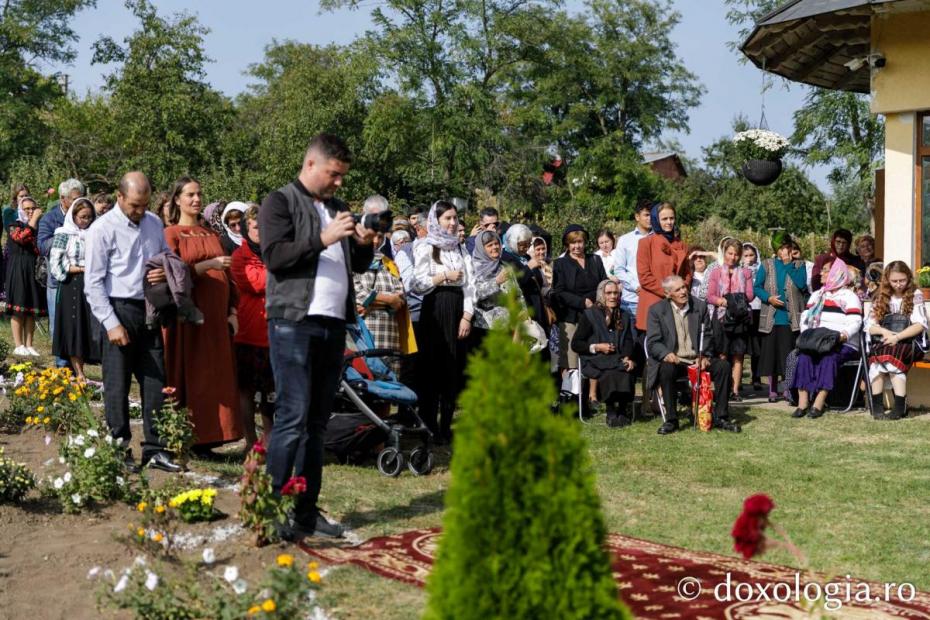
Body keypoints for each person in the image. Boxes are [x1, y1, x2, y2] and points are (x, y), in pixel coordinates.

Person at [259, 133, 375, 540]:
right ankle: (269, 509)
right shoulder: (280, 201)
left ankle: (306, 513)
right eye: (334, 174)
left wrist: (363, 244)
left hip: (332, 325)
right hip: (293, 320)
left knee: (316, 425)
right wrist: (324, 238)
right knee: (291, 417)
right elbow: (274, 256)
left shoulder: (338, 208)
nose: (339, 183)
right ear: (311, 165)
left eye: (343, 176)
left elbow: (356, 264)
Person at [84, 171, 181, 473]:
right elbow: (93, 283)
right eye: (135, 205)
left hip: (149, 309)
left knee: (155, 382)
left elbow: (166, 256)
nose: (140, 211)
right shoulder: (102, 229)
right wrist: (111, 323)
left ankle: (154, 448)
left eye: (144, 204)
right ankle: (118, 446)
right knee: (117, 384)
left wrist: (164, 270)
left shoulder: (153, 223)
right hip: (118, 309)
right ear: (120, 197)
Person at [163, 177, 242, 450]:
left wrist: (232, 309)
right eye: (190, 195)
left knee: (216, 376)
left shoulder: (211, 233)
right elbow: (171, 276)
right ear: (177, 199)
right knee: (195, 376)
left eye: (199, 194)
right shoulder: (171, 234)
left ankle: (217, 435)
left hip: (217, 320)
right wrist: (208, 264)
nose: (196, 199)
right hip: (190, 318)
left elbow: (229, 275)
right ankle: (191, 438)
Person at [412, 200, 475, 444]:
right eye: (447, 218)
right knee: (433, 367)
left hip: (458, 308)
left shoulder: (460, 249)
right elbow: (417, 284)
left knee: (453, 366)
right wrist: (443, 276)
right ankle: (428, 424)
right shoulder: (426, 247)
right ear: (436, 221)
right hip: (435, 309)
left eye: (454, 218)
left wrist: (467, 316)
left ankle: (446, 426)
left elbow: (470, 285)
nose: (452, 223)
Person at [645, 275, 741, 435]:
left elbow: (708, 335)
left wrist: (704, 355)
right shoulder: (656, 310)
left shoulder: (699, 306)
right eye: (678, 290)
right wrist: (666, 353)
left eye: (684, 287)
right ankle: (671, 420)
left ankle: (721, 416)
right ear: (668, 294)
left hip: (697, 359)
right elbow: (653, 342)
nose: (683, 291)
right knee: (666, 369)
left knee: (723, 367)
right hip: (675, 361)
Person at [791, 258, 863, 419]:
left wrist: (842, 336)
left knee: (828, 358)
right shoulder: (817, 295)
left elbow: (855, 321)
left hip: (841, 342)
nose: (821, 273)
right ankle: (802, 402)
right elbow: (806, 318)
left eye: (825, 270)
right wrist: (807, 334)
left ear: (836, 273)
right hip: (817, 341)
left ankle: (819, 401)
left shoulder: (849, 296)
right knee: (804, 357)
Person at [231, 204, 274, 451]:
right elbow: (256, 284)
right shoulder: (240, 256)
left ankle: (269, 439)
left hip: (273, 333)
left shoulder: (275, 252)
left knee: (271, 392)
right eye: (256, 226)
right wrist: (280, 272)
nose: (260, 231)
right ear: (247, 228)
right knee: (246, 390)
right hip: (248, 333)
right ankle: (249, 440)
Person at [866, 262, 927, 420]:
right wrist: (883, 331)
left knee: (892, 355)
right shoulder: (881, 296)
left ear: (908, 278)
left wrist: (897, 337)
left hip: (911, 341)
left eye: (902, 280)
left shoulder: (916, 294)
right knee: (876, 359)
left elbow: (920, 325)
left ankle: (899, 407)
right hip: (887, 339)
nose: (899, 285)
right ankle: (878, 407)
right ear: (887, 280)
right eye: (894, 281)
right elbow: (870, 326)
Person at [571, 280, 636, 427]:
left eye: (616, 293)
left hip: (617, 358)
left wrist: (627, 356)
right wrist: (597, 347)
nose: (613, 296)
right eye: (609, 293)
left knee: (626, 369)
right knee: (609, 372)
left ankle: (623, 410)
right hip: (595, 359)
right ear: (601, 294)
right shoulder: (590, 315)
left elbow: (628, 341)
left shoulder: (623, 315)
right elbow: (576, 344)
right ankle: (611, 411)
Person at [49, 197, 99, 381]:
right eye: (83, 217)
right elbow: (56, 263)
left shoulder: (96, 233)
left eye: (89, 217)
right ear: (74, 216)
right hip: (72, 284)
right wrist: (77, 268)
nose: (86, 221)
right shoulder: (64, 234)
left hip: (92, 283)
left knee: (90, 326)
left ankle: (87, 365)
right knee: (74, 327)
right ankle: (79, 372)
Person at [754, 235, 808, 403]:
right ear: (776, 250)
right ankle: (772, 389)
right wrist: (768, 298)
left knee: (787, 354)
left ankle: (787, 388)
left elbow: (801, 285)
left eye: (788, 247)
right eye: (782, 248)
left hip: (790, 319)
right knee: (771, 356)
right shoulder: (766, 265)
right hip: (772, 317)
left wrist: (787, 264)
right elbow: (756, 287)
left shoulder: (799, 265)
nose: (786, 251)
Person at [39, 178, 86, 368]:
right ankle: (62, 368)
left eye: (81, 197)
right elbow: (42, 245)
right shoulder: (50, 219)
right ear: (63, 199)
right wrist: (64, 236)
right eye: (74, 198)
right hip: (59, 280)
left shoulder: (87, 217)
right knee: (59, 326)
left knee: (79, 326)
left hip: (83, 280)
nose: (78, 202)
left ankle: (78, 370)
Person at [552, 225, 607, 382]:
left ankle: (592, 396)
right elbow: (559, 292)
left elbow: (603, 284)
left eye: (580, 242)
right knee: (571, 360)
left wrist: (595, 300)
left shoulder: (595, 260)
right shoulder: (560, 264)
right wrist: (582, 302)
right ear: (567, 244)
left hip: (594, 315)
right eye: (573, 243)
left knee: (594, 356)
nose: (577, 246)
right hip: (571, 316)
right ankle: (570, 396)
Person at [354, 228, 411, 376]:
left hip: (388, 332)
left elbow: (400, 297)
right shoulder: (352, 260)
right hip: (362, 332)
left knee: (391, 382)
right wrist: (388, 299)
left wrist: (371, 304)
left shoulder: (388, 263)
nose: (375, 241)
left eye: (379, 236)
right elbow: (355, 291)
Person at [706, 238, 755, 401]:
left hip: (740, 319)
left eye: (736, 254)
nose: (732, 257)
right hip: (721, 318)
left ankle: (735, 391)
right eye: (730, 253)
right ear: (724, 253)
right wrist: (724, 301)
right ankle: (722, 389)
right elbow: (710, 296)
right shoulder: (715, 272)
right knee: (722, 354)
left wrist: (734, 300)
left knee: (738, 355)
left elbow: (749, 295)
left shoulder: (746, 273)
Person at [635, 202, 691, 332]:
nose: (669, 222)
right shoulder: (646, 243)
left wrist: (680, 291)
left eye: (671, 218)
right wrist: (668, 292)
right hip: (654, 302)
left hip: (678, 304)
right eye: (664, 219)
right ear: (656, 220)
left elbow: (687, 273)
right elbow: (644, 277)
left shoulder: (682, 245)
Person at [5, 196, 47, 356]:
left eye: (33, 208)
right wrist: (34, 219)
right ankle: (18, 344)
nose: (30, 212)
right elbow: (20, 238)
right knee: (19, 306)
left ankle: (29, 344)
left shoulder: (39, 227)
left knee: (31, 308)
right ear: (20, 210)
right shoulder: (13, 224)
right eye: (26, 209)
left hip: (34, 269)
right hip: (18, 268)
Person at [611, 200, 652, 324]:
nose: (650, 219)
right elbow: (619, 269)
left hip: (654, 299)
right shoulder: (625, 240)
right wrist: (636, 287)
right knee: (631, 341)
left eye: (652, 215)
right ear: (637, 216)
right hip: (631, 301)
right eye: (646, 215)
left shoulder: (658, 238)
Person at [741, 242, 764, 392]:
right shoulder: (738, 270)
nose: (749, 258)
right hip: (743, 310)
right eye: (746, 255)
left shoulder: (761, 269)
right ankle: (737, 379)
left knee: (757, 346)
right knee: (741, 345)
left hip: (758, 309)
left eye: (751, 255)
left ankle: (756, 377)